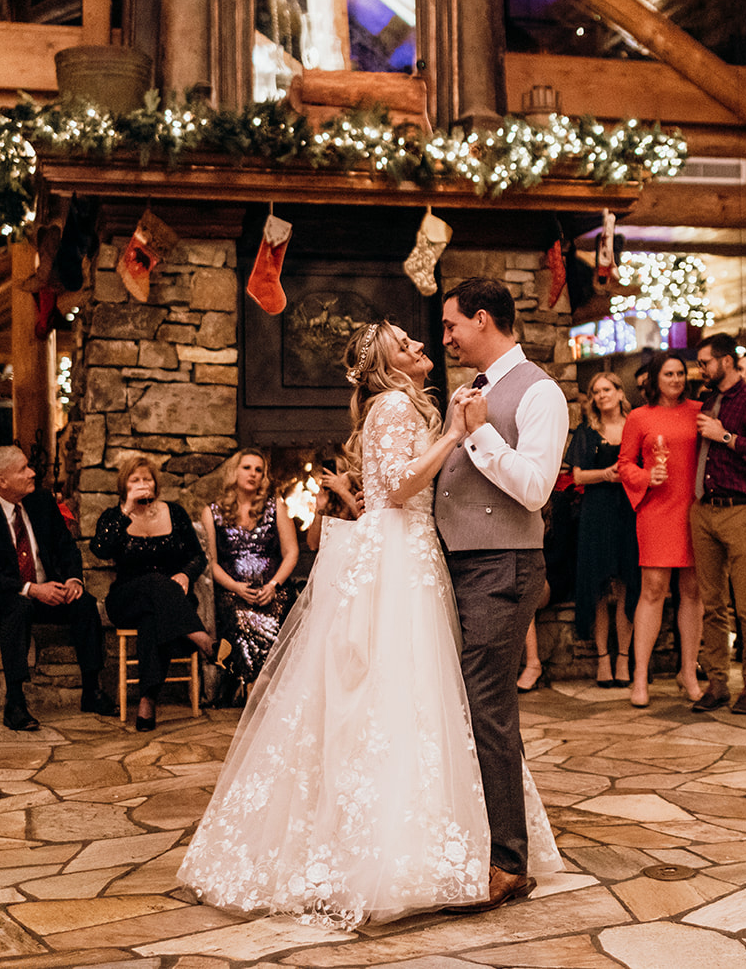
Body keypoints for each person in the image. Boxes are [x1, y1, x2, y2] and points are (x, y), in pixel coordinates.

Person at [179, 319, 560, 927]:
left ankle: (440, 837)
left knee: (417, 694)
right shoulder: (390, 406)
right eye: (404, 344)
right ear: (386, 364)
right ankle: (386, 847)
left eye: (417, 338)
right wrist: (457, 435)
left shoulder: (405, 404)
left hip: (415, 553)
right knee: (395, 691)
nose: (419, 345)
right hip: (398, 557)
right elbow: (401, 488)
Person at [435, 277, 569, 912]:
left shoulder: (540, 392)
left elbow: (537, 488)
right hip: (456, 567)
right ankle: (474, 839)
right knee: (461, 705)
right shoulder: (470, 391)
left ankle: (508, 864)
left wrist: (483, 434)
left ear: (482, 319)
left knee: (489, 708)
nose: (446, 338)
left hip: (504, 566)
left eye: (452, 325)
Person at [0, 445, 118, 730]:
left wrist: (72, 579)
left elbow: (66, 547)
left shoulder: (42, 501)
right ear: (2, 481)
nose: (32, 473)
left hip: (50, 591)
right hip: (3, 598)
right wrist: (31, 589)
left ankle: (92, 689)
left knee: (84, 604)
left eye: (29, 466)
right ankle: (15, 702)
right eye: (23, 469)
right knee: (17, 608)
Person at [689, 333, 746, 714]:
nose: (701, 368)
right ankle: (716, 683)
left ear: (726, 361)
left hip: (742, 509)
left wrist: (725, 435)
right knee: (712, 604)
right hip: (704, 509)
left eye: (706, 362)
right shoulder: (709, 400)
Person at [90, 456, 212, 731]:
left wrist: (184, 575)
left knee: (153, 618)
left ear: (156, 484)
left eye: (147, 479)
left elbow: (198, 557)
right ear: (125, 485)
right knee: (155, 582)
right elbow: (100, 549)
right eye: (136, 480)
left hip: (169, 603)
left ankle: (147, 701)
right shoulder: (114, 517)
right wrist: (126, 512)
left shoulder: (175, 513)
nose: (143, 484)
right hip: (125, 599)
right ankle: (202, 639)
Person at [617, 351, 705, 708]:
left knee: (693, 590)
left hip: (695, 509)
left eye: (680, 373)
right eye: (668, 374)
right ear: (655, 379)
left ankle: (688, 671)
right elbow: (624, 464)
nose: (676, 379)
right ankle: (640, 677)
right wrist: (644, 477)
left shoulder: (699, 412)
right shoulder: (639, 417)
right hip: (656, 509)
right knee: (653, 588)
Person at [203, 448, 299, 692]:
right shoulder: (212, 512)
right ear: (234, 472)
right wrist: (236, 587)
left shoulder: (276, 506)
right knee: (240, 615)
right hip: (232, 590)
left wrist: (273, 585)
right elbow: (211, 562)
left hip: (273, 588)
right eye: (247, 468)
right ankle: (254, 683)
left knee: (277, 611)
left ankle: (263, 684)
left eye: (259, 470)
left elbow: (292, 552)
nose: (253, 474)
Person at [566, 372, 640, 688]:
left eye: (607, 389)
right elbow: (578, 477)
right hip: (597, 512)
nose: (601, 395)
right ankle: (602, 660)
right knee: (598, 587)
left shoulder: (635, 426)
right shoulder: (587, 431)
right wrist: (607, 474)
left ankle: (624, 658)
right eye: (595, 391)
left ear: (620, 393)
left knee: (626, 583)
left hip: (630, 510)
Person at [304, 460, 359, 551]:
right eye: (333, 471)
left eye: (341, 471)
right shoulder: (328, 502)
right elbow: (313, 544)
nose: (334, 477)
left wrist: (342, 490)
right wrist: (320, 508)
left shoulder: (362, 496)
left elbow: (367, 521)